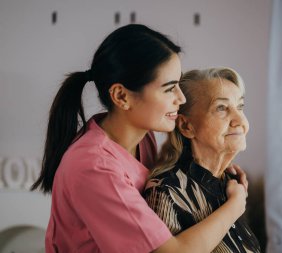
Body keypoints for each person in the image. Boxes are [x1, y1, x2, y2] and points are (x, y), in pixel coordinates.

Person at [31, 24, 248, 253]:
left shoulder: (140, 137)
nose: (181, 98)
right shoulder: (94, 166)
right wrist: (235, 205)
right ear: (121, 96)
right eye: (169, 88)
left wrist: (217, 170)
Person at [144, 67, 262, 253]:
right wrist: (236, 204)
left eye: (240, 106)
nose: (239, 119)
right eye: (221, 108)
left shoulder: (231, 184)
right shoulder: (166, 192)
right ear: (186, 126)